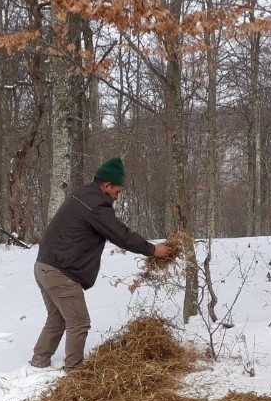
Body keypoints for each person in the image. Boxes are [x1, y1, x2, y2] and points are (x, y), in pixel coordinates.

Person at [30, 157, 172, 371]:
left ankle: (39, 361)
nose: (118, 195)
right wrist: (152, 250)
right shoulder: (96, 205)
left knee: (57, 317)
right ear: (107, 186)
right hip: (61, 271)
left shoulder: (83, 194)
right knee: (79, 322)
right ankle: (75, 370)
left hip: (44, 266)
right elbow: (120, 234)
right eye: (118, 190)